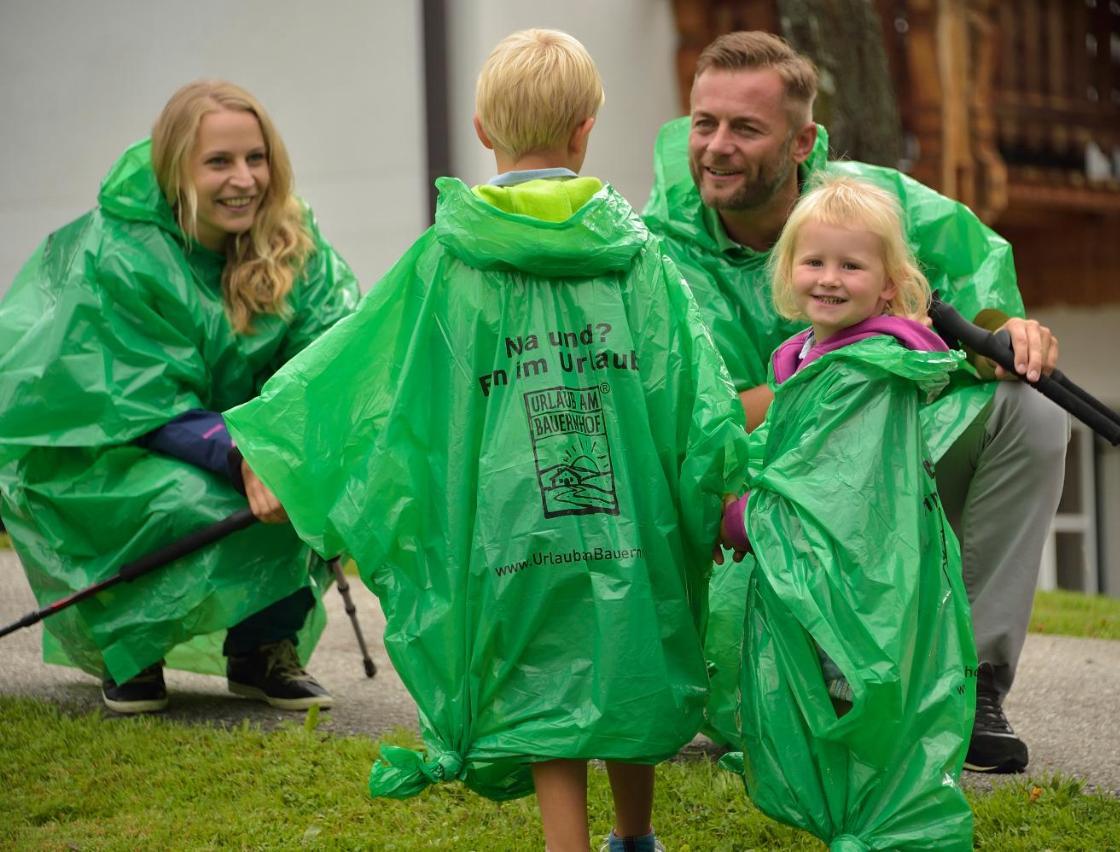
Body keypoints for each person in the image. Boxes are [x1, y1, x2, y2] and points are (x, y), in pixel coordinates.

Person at [223, 30, 743, 852]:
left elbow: (371, 366)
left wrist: (288, 449)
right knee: (627, 655)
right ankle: (634, 836)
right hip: (627, 517)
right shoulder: (636, 258)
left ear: (480, 129)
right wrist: (710, 485)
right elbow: (691, 388)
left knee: (542, 672)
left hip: (508, 522)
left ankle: (563, 842)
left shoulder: (451, 258)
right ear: (585, 129)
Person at [643, 31, 1069, 774]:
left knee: (1031, 411)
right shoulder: (657, 252)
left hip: (892, 457)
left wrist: (1010, 336)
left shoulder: (878, 203)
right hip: (762, 504)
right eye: (704, 123)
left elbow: (983, 300)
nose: (715, 146)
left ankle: (974, 686)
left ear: (803, 139)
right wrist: (843, 384)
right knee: (781, 713)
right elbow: (693, 423)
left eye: (745, 128)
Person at [0, 81, 359, 714]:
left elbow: (329, 358)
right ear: (176, 170)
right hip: (109, 450)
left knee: (298, 486)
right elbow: (140, 400)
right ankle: (133, 648)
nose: (243, 179)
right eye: (219, 162)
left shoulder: (291, 239)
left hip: (238, 437)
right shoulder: (124, 251)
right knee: (179, 499)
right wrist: (245, 456)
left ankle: (262, 649)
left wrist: (285, 449)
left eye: (256, 157)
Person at [716, 175, 974, 848]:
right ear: (788, 269)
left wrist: (743, 516)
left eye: (851, 266)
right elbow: (786, 452)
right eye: (814, 261)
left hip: (859, 584)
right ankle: (851, 817)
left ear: (889, 284)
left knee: (856, 693)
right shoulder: (803, 356)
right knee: (822, 695)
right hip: (815, 574)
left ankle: (870, 818)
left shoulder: (870, 374)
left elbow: (836, 484)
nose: (828, 279)